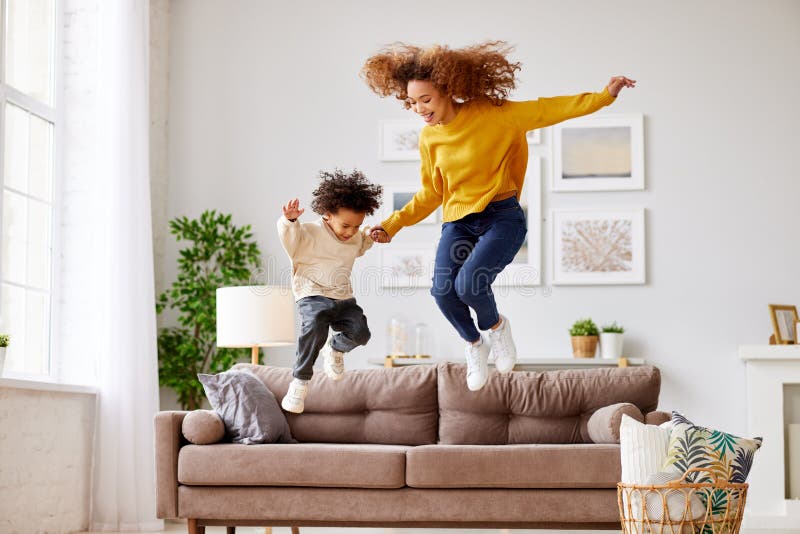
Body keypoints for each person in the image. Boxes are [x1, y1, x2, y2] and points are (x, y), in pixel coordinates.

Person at [361, 41, 635, 391]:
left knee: (469, 283)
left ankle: (497, 328)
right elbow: (432, 193)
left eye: (425, 100)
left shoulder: (495, 114)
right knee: (443, 292)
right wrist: (391, 223)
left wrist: (603, 95)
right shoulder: (430, 139)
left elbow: (548, 110)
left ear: (447, 89)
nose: (418, 109)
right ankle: (475, 345)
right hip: (459, 222)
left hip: (501, 217)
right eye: (412, 102)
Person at [277, 169, 382, 413]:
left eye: (356, 226)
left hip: (343, 296)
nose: (350, 232)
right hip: (313, 293)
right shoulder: (310, 233)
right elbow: (290, 240)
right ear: (327, 214)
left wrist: (369, 234)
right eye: (345, 225)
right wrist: (290, 221)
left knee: (361, 334)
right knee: (314, 326)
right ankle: (300, 382)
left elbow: (362, 244)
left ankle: (335, 349)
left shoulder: (354, 237)